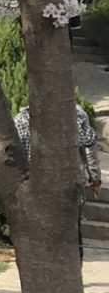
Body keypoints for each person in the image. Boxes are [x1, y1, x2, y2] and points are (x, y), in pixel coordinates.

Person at [12, 99, 101, 261]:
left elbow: (18, 158)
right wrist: (95, 178)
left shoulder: (20, 120)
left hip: (37, 185)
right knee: (73, 230)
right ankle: (74, 267)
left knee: (44, 230)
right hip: (71, 183)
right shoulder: (76, 114)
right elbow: (90, 148)